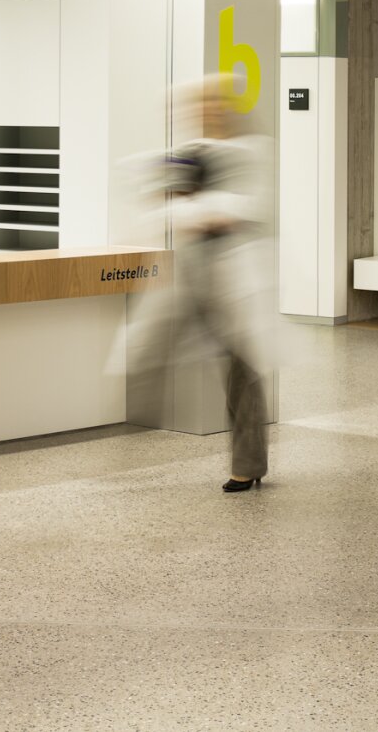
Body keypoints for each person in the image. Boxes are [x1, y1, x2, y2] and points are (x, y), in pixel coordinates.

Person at [126, 76, 279, 493]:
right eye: (199, 104)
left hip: (235, 271)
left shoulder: (252, 150)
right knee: (152, 345)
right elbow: (167, 200)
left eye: (213, 102)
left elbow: (249, 207)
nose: (205, 110)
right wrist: (181, 204)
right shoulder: (190, 151)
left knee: (242, 367)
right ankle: (137, 430)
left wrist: (207, 210)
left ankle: (247, 465)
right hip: (193, 267)